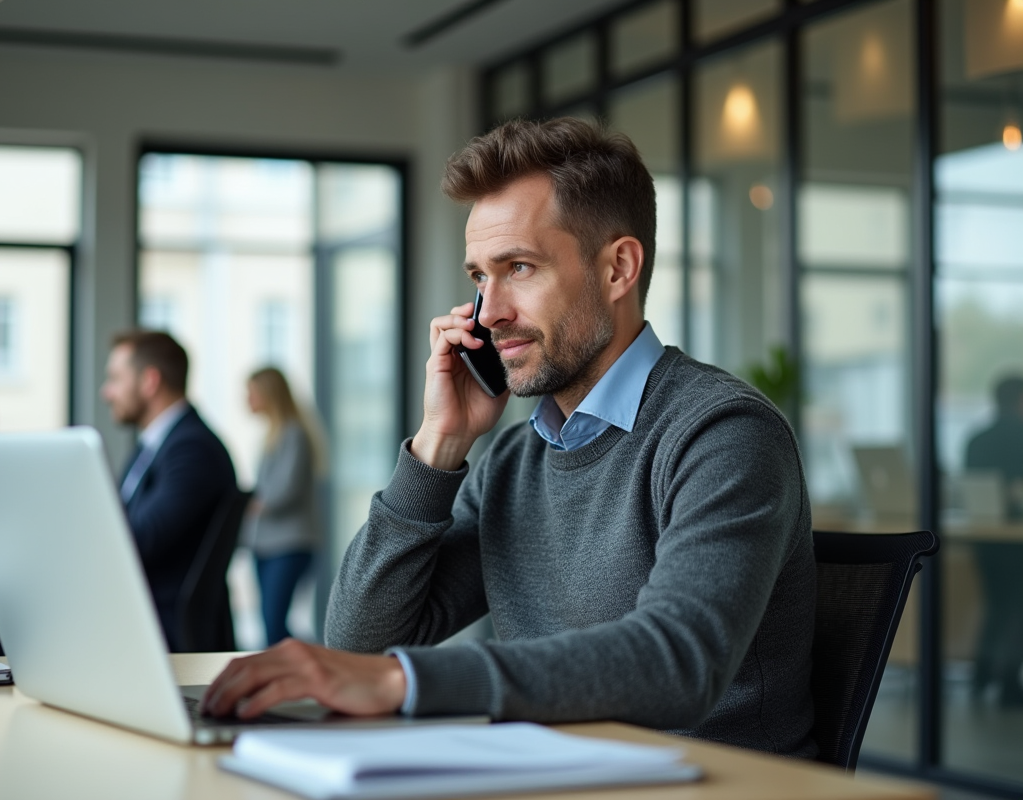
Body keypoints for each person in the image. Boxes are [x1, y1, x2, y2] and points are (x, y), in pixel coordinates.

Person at [201, 118, 816, 758]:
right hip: (543, 777)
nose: (487, 311)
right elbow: (357, 642)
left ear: (618, 269)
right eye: (478, 278)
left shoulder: (724, 433)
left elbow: (677, 659)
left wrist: (403, 680)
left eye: (518, 267)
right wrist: (438, 446)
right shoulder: (515, 461)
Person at [101, 330, 238, 650]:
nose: (106, 392)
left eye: (115, 379)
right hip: (137, 615)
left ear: (149, 381)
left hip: (161, 627)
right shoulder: (155, 445)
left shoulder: (192, 448)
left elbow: (139, 540)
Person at [242, 367, 322, 646]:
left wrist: (247, 503)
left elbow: (283, 491)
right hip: (266, 545)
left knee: (274, 624)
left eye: (251, 392)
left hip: (289, 544)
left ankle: (316, 668)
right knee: (270, 623)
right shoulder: (273, 435)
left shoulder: (293, 435)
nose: (247, 399)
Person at [965, 374, 1023, 706]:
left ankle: (981, 675)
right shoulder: (1019, 435)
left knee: (996, 605)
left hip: (983, 537)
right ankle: (1007, 682)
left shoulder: (977, 439)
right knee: (1016, 608)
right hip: (1014, 539)